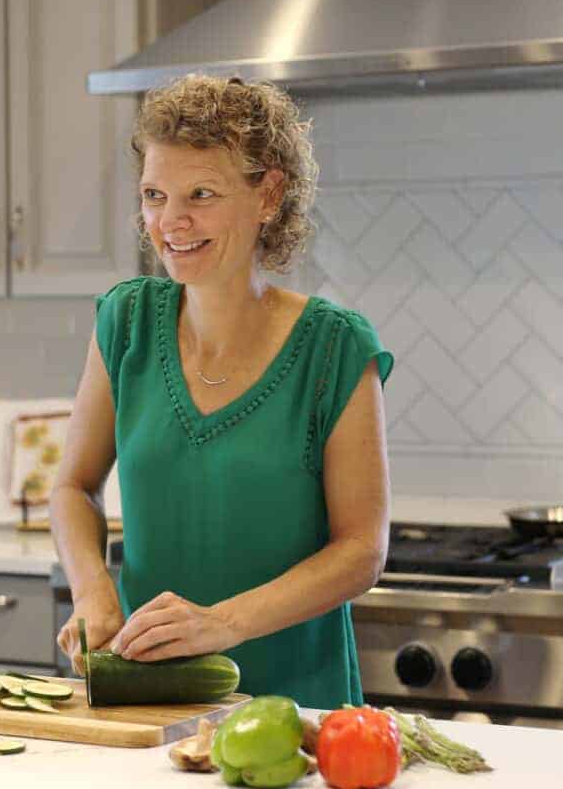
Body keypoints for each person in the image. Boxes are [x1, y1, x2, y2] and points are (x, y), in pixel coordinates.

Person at [50, 73, 393, 709]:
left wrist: (223, 624)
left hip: (296, 706)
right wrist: (93, 588)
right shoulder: (124, 324)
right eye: (155, 195)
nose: (170, 222)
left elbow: (360, 551)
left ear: (269, 194)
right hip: (151, 698)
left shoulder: (335, 348)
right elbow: (73, 486)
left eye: (200, 194)